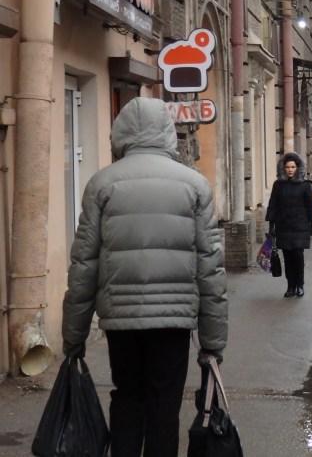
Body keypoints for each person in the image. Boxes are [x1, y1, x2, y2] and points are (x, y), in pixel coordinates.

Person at [61, 97, 228, 457]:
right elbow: (210, 267)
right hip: (173, 322)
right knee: (165, 405)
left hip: (121, 320)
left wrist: (73, 335)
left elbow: (84, 264)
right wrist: (213, 341)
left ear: (120, 133)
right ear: (167, 132)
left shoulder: (102, 184)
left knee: (127, 397)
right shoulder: (195, 185)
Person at [266, 152, 312, 298]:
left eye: (293, 167)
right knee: (287, 258)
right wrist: (271, 226)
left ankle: (300, 285)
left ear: (298, 168)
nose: (290, 170)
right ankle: (290, 286)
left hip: (300, 226)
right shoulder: (278, 185)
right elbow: (273, 206)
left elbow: (311, 206)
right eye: (287, 167)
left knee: (298, 256)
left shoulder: (305, 185)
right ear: (283, 168)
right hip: (283, 226)